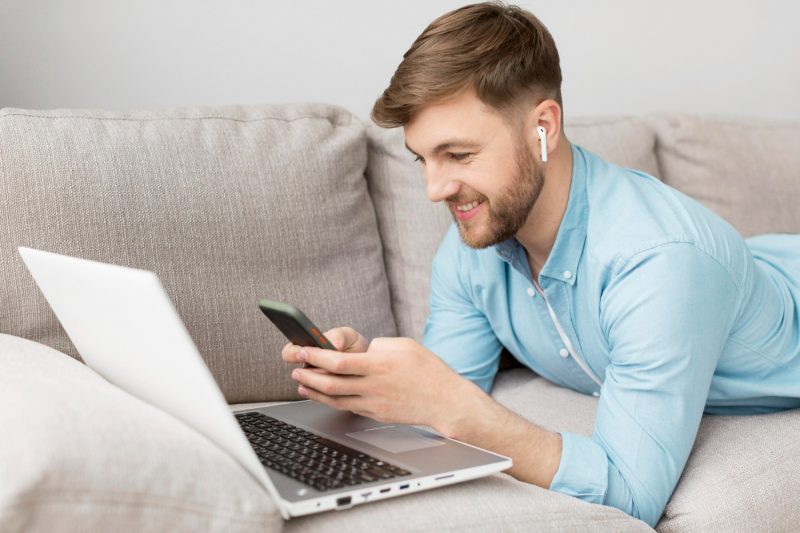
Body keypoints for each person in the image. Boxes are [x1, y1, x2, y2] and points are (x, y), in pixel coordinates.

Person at [282, 2, 800, 526]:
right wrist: (369, 380)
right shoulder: (471, 249)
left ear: (543, 127)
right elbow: (442, 387)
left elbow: (630, 493)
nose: (434, 190)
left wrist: (461, 411)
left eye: (458, 155)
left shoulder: (661, 266)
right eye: (423, 159)